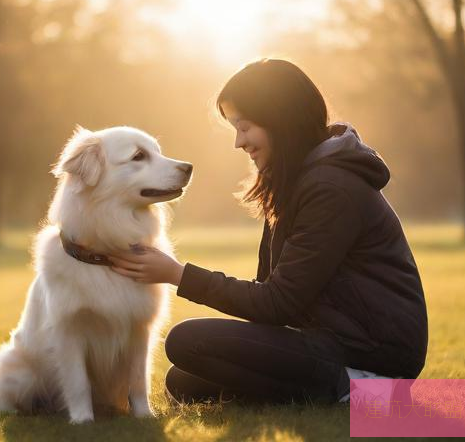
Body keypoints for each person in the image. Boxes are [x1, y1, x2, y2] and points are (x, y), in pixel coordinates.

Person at [108, 58, 428, 405]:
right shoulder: (294, 181)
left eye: (243, 127)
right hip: (331, 339)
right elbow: (272, 297)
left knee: (185, 340)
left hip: (373, 351)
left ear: (280, 119)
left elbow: (277, 304)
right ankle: (340, 392)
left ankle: (370, 395)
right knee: (185, 381)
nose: (238, 142)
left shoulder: (331, 188)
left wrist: (178, 274)